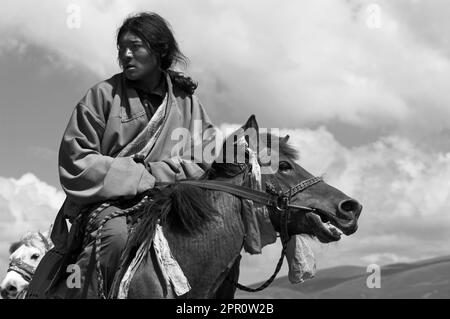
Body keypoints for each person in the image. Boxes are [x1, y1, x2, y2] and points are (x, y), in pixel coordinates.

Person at [28, 12, 216, 299]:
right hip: (108, 206)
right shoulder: (102, 96)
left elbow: (204, 159)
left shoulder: (187, 103)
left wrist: (158, 176)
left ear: (160, 51)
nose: (126, 55)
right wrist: (138, 175)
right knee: (115, 237)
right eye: (121, 49)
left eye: (136, 47)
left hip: (172, 203)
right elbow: (77, 160)